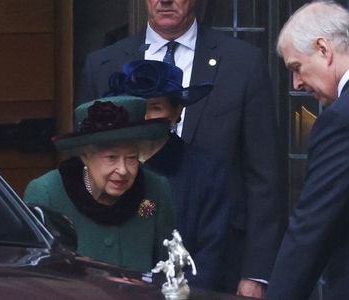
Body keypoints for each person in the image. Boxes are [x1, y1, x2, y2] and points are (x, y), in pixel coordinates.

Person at [78, 1, 286, 297]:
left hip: (219, 257)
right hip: (122, 260)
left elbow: (265, 175)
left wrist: (257, 272)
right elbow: (84, 164)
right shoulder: (102, 64)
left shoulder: (243, 63)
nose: (165, 0)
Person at [265, 1, 349, 300]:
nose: (296, 82)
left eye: (296, 67)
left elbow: (311, 228)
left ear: (323, 49)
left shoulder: (344, 117)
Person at [105, 59, 230, 290]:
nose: (144, 117)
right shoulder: (104, 168)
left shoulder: (207, 170)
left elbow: (211, 255)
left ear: (176, 112)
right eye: (137, 106)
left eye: (155, 108)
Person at [23, 96, 175, 273]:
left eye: (132, 158)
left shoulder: (155, 189)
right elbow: (33, 277)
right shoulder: (47, 194)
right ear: (85, 156)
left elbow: (168, 270)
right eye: (111, 157)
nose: (123, 170)